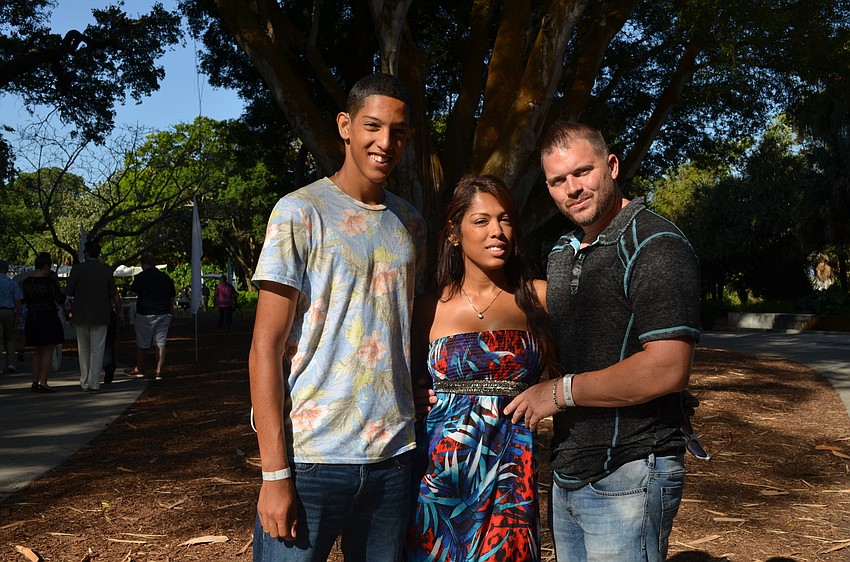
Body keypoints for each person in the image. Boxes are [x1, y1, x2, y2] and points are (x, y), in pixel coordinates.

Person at [505, 121, 701, 562]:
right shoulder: (562, 251)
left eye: (582, 172)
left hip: (631, 470)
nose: (572, 188)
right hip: (568, 471)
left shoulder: (655, 244)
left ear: (611, 166)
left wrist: (558, 393)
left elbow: (668, 367)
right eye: (558, 180)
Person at [250, 73, 426, 562]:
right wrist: (274, 474)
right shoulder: (300, 212)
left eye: (398, 132)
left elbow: (406, 327)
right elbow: (265, 346)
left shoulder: (412, 224)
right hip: (311, 458)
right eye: (373, 126)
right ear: (346, 126)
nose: (385, 142)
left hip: (394, 458)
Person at [405, 175, 558, 562]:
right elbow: (397, 380)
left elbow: (584, 365)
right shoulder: (427, 308)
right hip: (439, 479)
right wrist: (411, 396)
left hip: (512, 478)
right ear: (453, 232)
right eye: (481, 220)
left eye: (505, 219)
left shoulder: (540, 297)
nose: (497, 231)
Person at [66, 241, 117, 393]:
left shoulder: (78, 269)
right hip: (101, 313)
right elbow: (112, 293)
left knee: (83, 349)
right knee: (98, 348)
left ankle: (85, 381)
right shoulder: (105, 270)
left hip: (81, 314)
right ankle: (94, 382)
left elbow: (69, 291)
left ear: (86, 253)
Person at [125, 255, 176, 380]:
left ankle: (139, 368)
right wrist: (170, 311)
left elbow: (133, 293)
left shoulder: (140, 277)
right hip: (163, 312)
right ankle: (159, 371)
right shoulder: (166, 278)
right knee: (160, 343)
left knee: (143, 343)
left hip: (145, 313)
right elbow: (172, 298)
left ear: (145, 264)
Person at [21, 253, 66, 392]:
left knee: (37, 350)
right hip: (47, 316)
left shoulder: (27, 282)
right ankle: (43, 381)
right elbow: (59, 299)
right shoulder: (49, 283)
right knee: (48, 350)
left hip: (33, 317)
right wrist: (62, 292)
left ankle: (35, 380)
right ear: (45, 266)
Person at [0, 260, 24, 374]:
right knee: (11, 337)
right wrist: (19, 315)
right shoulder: (12, 283)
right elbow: (18, 301)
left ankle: (0, 365)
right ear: (6, 270)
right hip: (9, 311)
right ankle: (11, 363)